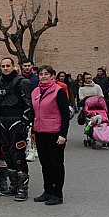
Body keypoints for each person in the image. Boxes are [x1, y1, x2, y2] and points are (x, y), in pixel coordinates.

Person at [0, 57, 33, 201]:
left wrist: (25, 124)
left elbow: (28, 105)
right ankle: (14, 185)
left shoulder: (22, 82)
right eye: (3, 66)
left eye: (8, 66)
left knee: (18, 156)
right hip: (3, 123)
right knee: (7, 155)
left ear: (13, 66)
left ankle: (23, 188)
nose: (5, 68)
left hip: (17, 123)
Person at [31, 65, 70, 205]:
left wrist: (63, 134)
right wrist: (33, 132)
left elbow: (65, 114)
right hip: (40, 132)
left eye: (46, 74)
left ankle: (57, 193)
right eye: (40, 74)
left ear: (52, 75)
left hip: (55, 133)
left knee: (56, 164)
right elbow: (34, 113)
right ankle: (47, 191)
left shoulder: (58, 91)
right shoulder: (35, 91)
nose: (43, 76)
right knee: (45, 164)